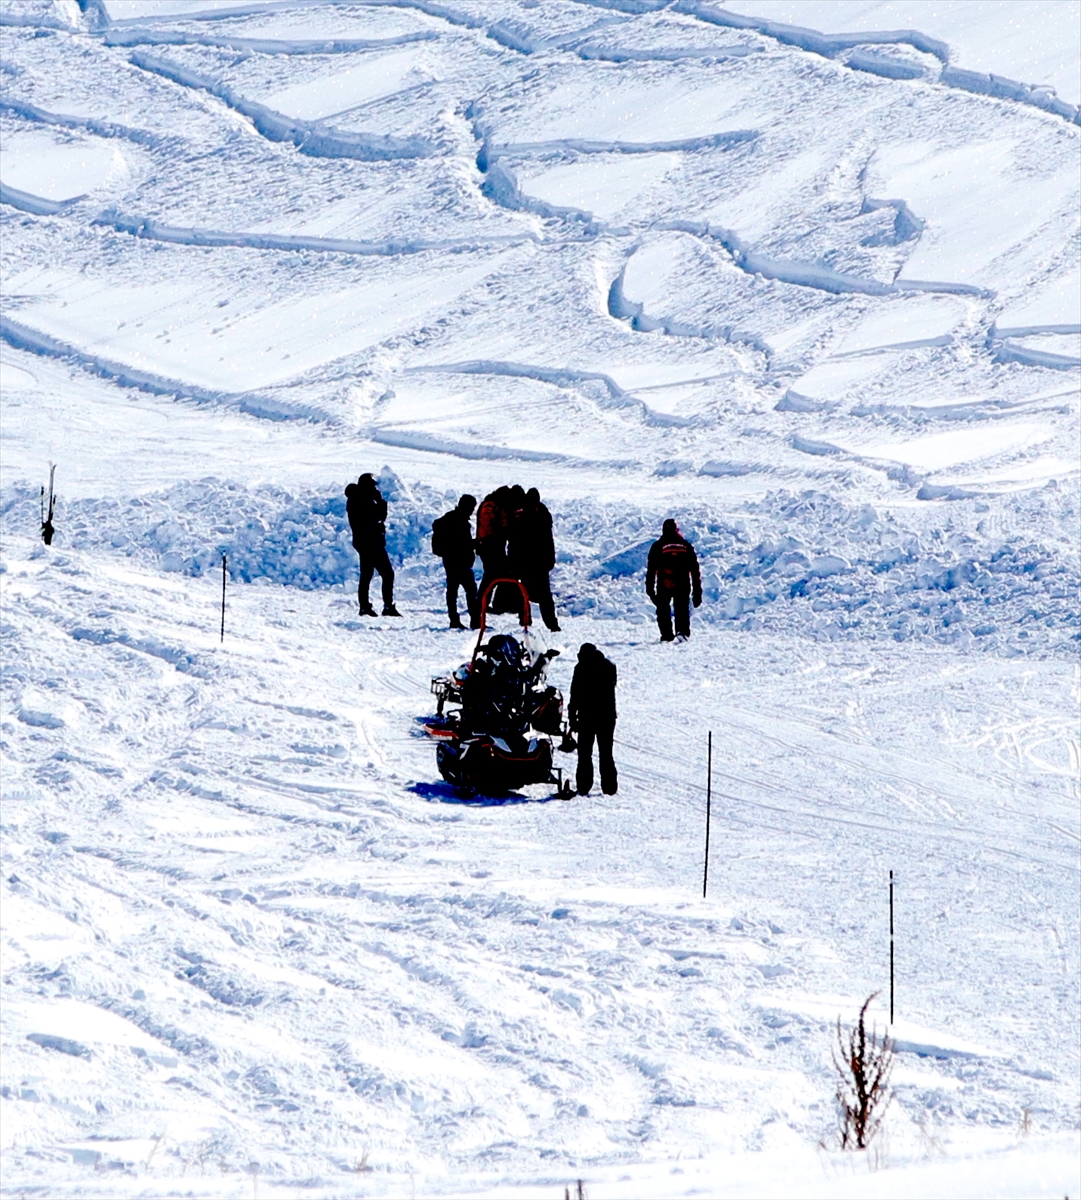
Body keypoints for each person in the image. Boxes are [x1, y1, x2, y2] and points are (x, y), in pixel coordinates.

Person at [345, 473, 399, 617]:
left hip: (364, 542)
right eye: (373, 485)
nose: (375, 488)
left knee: (367, 575)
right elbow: (377, 517)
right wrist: (381, 502)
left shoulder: (356, 498)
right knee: (387, 574)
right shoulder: (362, 499)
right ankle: (386, 606)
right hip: (371, 542)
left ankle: (365, 607)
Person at [568, 643, 617, 795]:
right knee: (606, 753)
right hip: (607, 716)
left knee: (584, 754)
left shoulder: (581, 667)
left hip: (586, 717)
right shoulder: (609, 666)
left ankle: (584, 786)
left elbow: (574, 694)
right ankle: (610, 787)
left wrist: (572, 717)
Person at [509, 487, 560, 632]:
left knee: (537, 595)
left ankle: (545, 623)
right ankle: (531, 621)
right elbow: (515, 542)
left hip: (535, 562)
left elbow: (514, 542)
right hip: (530, 562)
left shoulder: (534, 516)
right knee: (533, 595)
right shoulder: (536, 515)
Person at [646, 518, 701, 641]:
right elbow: (695, 570)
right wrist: (697, 591)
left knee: (663, 610)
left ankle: (667, 635)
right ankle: (682, 632)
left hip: (664, 583)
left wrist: (650, 589)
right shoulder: (686, 546)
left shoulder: (657, 546)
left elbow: (651, 569)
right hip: (683, 583)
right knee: (682, 609)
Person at [431, 494, 479, 630]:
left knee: (453, 591)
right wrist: (474, 544)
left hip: (450, 560)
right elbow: (462, 544)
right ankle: (475, 621)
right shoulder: (460, 521)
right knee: (470, 590)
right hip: (459, 561)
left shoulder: (450, 517)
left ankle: (455, 619)